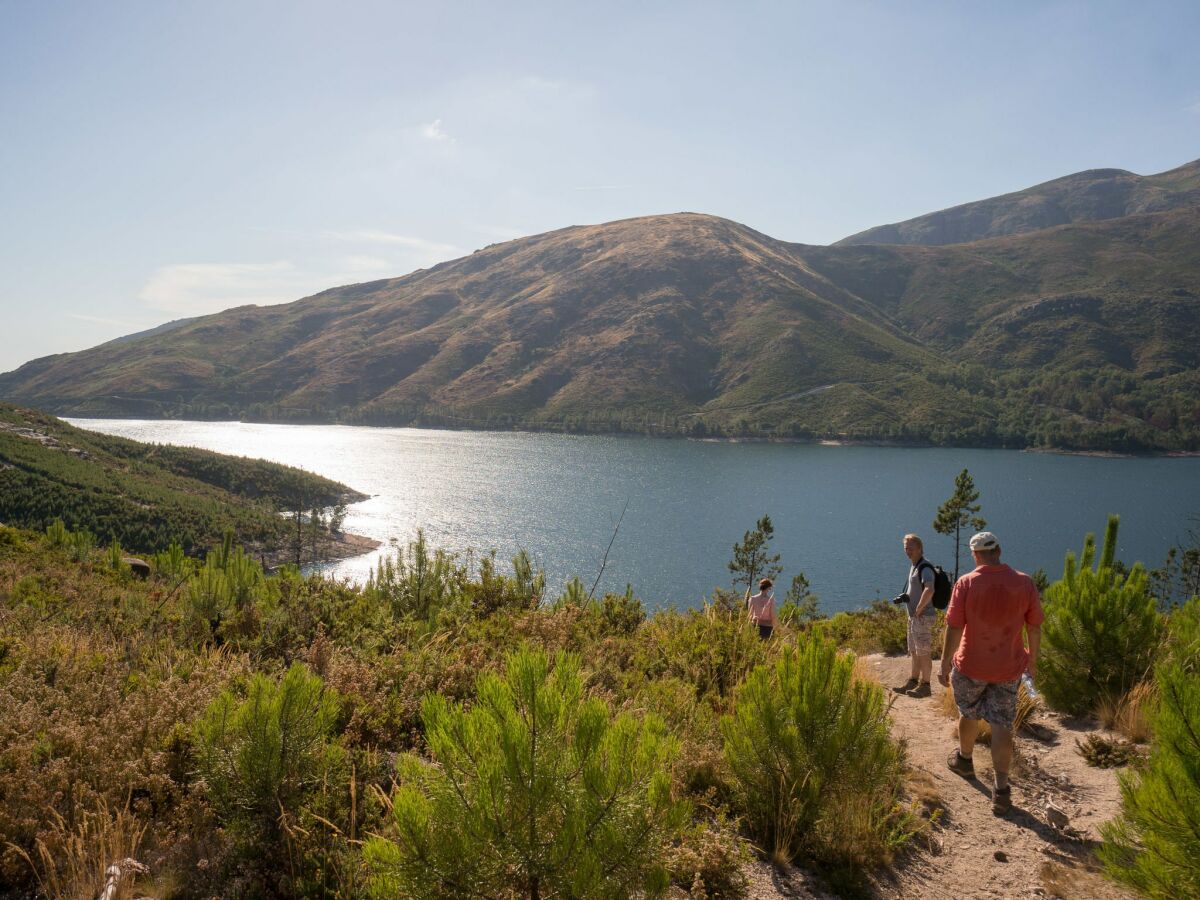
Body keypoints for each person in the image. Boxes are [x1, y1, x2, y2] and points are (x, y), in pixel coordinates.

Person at [938, 531, 1043, 816]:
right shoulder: (1024, 583)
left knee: (968, 713)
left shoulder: (967, 583)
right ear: (999, 550)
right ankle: (1001, 789)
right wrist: (1032, 661)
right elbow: (1034, 627)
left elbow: (954, 626)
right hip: (1009, 667)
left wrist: (945, 662)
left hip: (971, 665)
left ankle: (964, 760)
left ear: (975, 555)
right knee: (1001, 724)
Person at [893, 533, 936, 698]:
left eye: (911, 548)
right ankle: (913, 681)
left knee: (923, 652)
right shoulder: (914, 566)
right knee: (915, 651)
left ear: (919, 548)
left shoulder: (924, 567)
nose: (907, 551)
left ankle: (926, 685)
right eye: (906, 548)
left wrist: (919, 608)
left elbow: (930, 588)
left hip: (922, 617)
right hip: (914, 617)